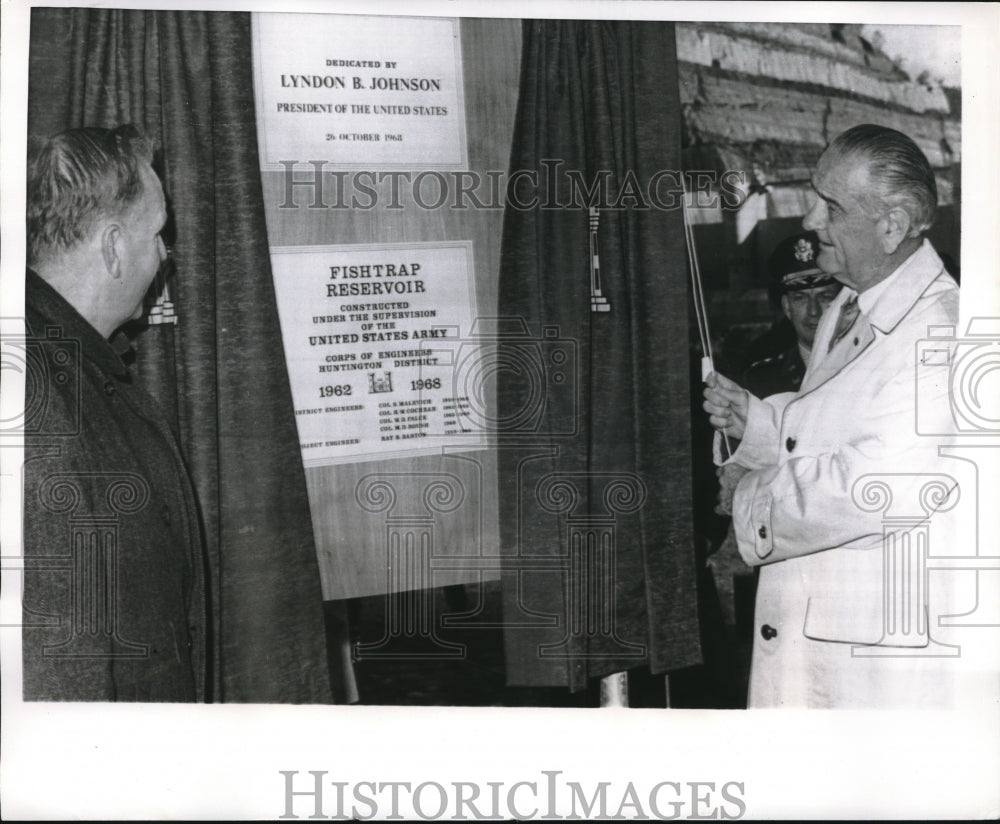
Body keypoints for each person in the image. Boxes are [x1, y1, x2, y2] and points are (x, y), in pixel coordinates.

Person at [702, 124, 961, 708]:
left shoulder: (940, 334)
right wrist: (759, 425)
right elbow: (839, 429)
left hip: (875, 670)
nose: (810, 219)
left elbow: (876, 484)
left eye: (831, 206)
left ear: (892, 225)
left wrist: (749, 495)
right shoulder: (854, 302)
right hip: (830, 637)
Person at [22, 125, 209, 701]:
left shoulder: (73, 363)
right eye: (156, 234)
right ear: (111, 247)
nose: (165, 254)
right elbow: (54, 666)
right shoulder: (34, 398)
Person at [742, 230, 842, 398]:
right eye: (800, 298)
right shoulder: (762, 382)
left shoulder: (868, 365)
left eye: (825, 296)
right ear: (787, 307)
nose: (813, 311)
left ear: (844, 302)